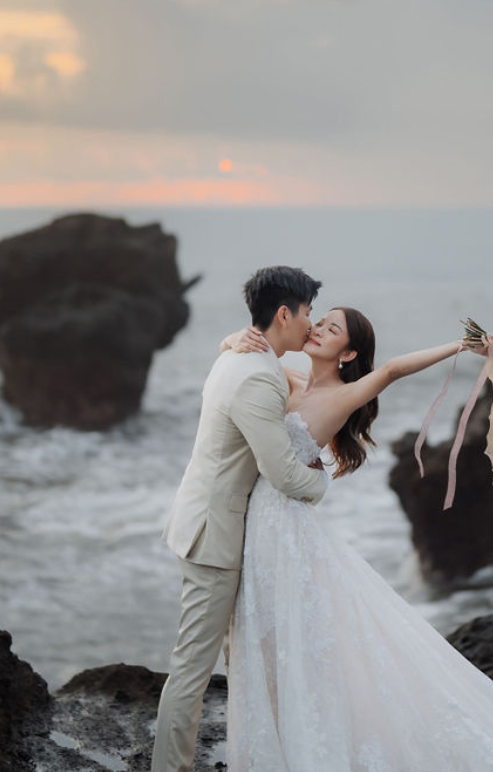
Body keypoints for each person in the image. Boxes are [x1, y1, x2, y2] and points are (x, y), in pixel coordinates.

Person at [218, 307, 493, 772]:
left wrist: (462, 346)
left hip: (285, 526)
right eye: (321, 322)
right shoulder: (288, 379)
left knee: (293, 632)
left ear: (348, 353)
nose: (318, 329)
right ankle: (282, 732)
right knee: (268, 630)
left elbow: (391, 369)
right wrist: (235, 338)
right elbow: (238, 359)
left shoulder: (348, 392)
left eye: (333, 330)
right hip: (263, 522)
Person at [152, 266, 332, 772]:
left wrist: (230, 338)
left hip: (211, 523)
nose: (311, 324)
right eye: (307, 313)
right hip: (215, 535)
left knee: (236, 660)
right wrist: (326, 481)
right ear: (283, 314)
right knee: (191, 669)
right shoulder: (258, 376)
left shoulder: (238, 354)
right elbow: (285, 475)